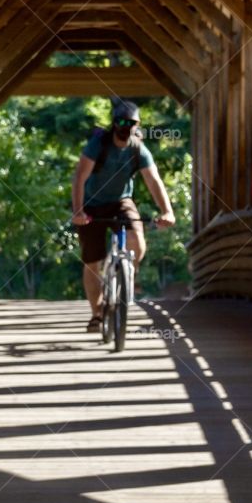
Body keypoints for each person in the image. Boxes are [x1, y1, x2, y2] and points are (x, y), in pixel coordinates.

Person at [72, 99, 175, 332]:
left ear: (137, 125)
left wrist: (167, 211)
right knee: (91, 261)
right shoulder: (98, 145)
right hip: (91, 204)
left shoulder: (138, 149)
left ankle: (126, 274)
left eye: (131, 122)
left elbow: (154, 181)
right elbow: (79, 177)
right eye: (120, 121)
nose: (125, 126)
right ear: (113, 123)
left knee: (137, 242)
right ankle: (97, 315)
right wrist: (78, 211)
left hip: (121, 201)